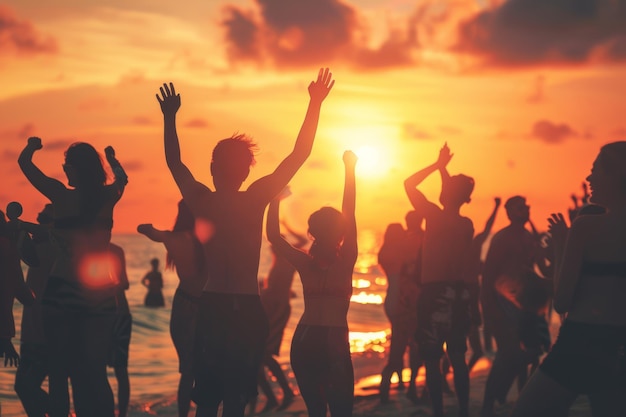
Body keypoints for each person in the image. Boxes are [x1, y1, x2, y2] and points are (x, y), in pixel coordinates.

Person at [155, 68, 334, 417]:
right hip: (248, 308)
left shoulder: (201, 200)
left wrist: (170, 118)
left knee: (207, 396)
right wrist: (315, 104)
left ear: (211, 168)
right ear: (248, 171)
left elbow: (174, 162)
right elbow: (299, 154)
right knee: (236, 398)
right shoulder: (255, 199)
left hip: (212, 305)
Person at [512, 142, 626, 417]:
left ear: (615, 176)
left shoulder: (586, 227)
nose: (589, 179)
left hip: (580, 342)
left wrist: (561, 243)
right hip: (617, 347)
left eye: (595, 171)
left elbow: (562, 300)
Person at [18, 137, 127, 417]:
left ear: (77, 168)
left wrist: (31, 147)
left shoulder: (60, 195)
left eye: (67, 165)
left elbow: (24, 165)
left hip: (62, 292)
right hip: (100, 295)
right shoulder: (109, 196)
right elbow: (123, 178)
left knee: (58, 374)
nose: (64, 171)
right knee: (92, 374)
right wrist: (111, 157)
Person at [267, 150, 358, 417]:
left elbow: (273, 235)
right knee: (341, 412)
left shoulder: (305, 262)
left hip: (305, 339)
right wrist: (349, 169)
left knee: (316, 412)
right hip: (333, 340)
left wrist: (275, 200)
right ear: (342, 232)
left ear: (311, 233)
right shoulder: (347, 259)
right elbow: (349, 211)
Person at [404, 143, 475, 417]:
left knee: (432, 360)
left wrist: (436, 165)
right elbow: (453, 199)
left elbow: (409, 183)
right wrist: (445, 171)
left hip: (434, 294)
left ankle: (438, 412)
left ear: (445, 193)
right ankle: (465, 411)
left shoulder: (432, 215)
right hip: (459, 294)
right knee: (458, 358)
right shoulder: (466, 224)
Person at [137, 199, 207, 417]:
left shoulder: (172, 238)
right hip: (206, 306)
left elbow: (145, 229)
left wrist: (149, 227)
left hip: (184, 303)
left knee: (187, 371)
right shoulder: (206, 240)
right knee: (204, 369)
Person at [480, 195, 548, 417]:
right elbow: (488, 274)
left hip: (526, 304)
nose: (526, 210)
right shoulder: (502, 238)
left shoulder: (529, 237)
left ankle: (519, 397)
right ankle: (489, 403)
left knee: (531, 353)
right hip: (503, 303)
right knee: (507, 354)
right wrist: (489, 308)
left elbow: (541, 269)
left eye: (527, 206)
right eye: (521, 207)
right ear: (509, 212)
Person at [14, 204, 63, 417]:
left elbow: (54, 232)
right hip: (31, 331)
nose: (41, 223)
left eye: (45, 219)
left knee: (28, 386)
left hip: (49, 332)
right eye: (40, 217)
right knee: (22, 387)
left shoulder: (59, 246)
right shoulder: (32, 248)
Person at [255, 204, 304, 413]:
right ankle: (274, 396)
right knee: (257, 356)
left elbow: (302, 241)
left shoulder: (287, 260)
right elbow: (277, 288)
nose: (271, 247)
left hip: (277, 311)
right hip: (270, 310)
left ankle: (285, 392)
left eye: (274, 245)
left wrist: (286, 225)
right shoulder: (277, 263)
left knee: (263, 355)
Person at [378, 222, 413, 402]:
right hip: (400, 301)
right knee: (400, 345)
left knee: (399, 343)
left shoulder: (385, 253)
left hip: (393, 299)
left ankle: (397, 382)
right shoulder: (397, 254)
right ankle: (386, 384)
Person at [108, 243, 132, 417]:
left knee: (120, 368)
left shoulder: (116, 250)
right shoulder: (116, 250)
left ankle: (121, 414)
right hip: (107, 314)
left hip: (118, 315)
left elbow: (124, 282)